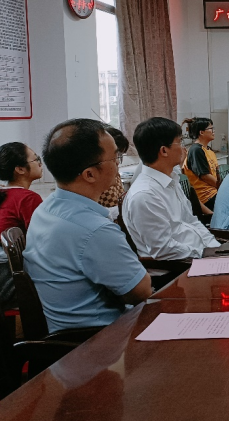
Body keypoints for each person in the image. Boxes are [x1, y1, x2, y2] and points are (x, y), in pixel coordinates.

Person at [23, 119, 151, 332]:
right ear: (90, 174)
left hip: (64, 330)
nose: (118, 164)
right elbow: (141, 291)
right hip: (98, 338)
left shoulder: (45, 210)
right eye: (115, 158)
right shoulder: (94, 230)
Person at [123, 117, 219, 260]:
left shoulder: (171, 180)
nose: (183, 148)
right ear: (164, 150)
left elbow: (191, 221)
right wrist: (205, 255)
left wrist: (216, 248)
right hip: (178, 266)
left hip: (199, 254)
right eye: (179, 142)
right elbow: (163, 249)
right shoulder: (145, 195)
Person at [0, 143, 43, 310]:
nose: (40, 163)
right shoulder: (28, 198)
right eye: (36, 159)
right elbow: (41, 241)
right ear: (20, 169)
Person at [182, 117, 220, 213]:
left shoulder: (208, 150)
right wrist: (223, 187)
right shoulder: (196, 150)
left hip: (214, 192)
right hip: (205, 197)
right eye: (211, 128)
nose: (214, 131)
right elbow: (205, 176)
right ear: (201, 132)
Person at [98, 126, 129, 212]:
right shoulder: (102, 178)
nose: (117, 161)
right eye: (116, 155)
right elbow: (112, 205)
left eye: (120, 155)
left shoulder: (115, 172)